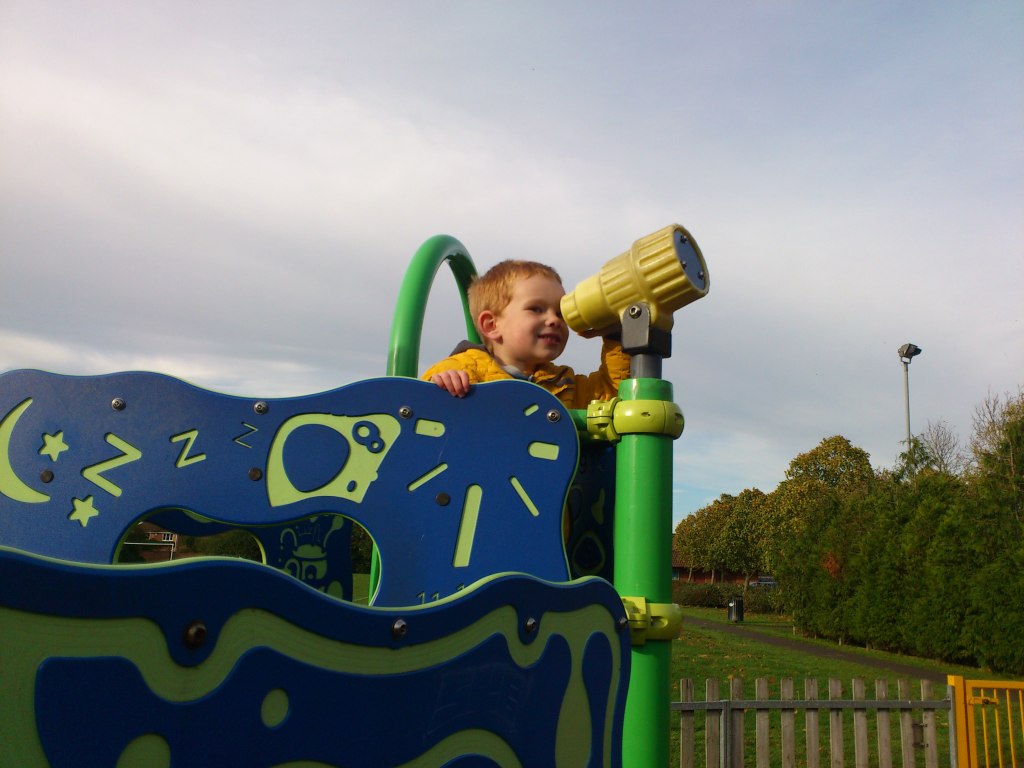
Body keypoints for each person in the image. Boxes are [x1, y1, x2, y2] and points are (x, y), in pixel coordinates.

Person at [422, 260, 630, 407]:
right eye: (536, 309)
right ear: (491, 325)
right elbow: (422, 402)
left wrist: (616, 337)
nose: (554, 320)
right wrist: (443, 383)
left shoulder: (564, 384)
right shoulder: (467, 370)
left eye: (560, 313)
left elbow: (612, 393)